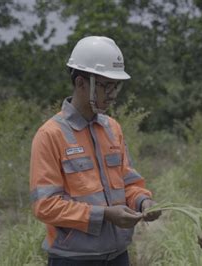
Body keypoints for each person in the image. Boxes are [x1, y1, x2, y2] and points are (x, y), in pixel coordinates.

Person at [29, 36, 161, 265]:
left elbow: (128, 183)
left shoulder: (112, 129)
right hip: (73, 259)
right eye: (106, 86)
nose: (112, 94)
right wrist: (105, 215)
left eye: (115, 86)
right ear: (81, 83)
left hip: (118, 255)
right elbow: (46, 206)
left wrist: (143, 202)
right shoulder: (50, 135)